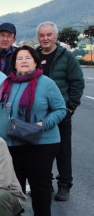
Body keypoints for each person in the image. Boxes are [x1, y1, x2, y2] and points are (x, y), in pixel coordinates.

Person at [0, 45, 66, 216]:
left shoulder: (46, 83)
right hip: (10, 142)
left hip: (41, 141)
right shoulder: (6, 83)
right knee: (14, 183)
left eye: (28, 57)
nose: (23, 61)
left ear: (35, 61)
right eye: (19, 58)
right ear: (14, 63)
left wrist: (43, 124)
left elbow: (60, 109)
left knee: (39, 183)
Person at [35, 21, 84, 202]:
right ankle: (45, 184)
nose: (45, 38)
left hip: (61, 112)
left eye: (49, 35)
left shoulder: (66, 57)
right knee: (40, 150)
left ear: (56, 36)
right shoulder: (35, 56)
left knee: (63, 150)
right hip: (39, 113)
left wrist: (71, 106)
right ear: (38, 37)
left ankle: (64, 185)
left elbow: (78, 81)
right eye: (42, 35)